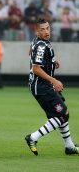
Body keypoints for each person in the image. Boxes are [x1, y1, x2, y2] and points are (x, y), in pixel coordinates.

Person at [25, 18, 78, 156]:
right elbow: (36, 68)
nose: (46, 31)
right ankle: (33, 137)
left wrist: (51, 61)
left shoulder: (38, 42)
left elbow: (30, 53)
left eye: (47, 28)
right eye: (42, 29)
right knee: (62, 114)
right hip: (42, 86)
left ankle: (69, 146)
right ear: (37, 31)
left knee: (61, 114)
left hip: (42, 86)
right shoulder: (41, 45)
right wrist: (53, 80)